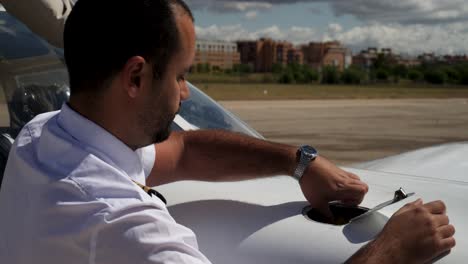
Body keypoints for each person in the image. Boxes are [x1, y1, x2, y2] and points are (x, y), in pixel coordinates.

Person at [0, 0, 455, 263]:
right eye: (180, 76)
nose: (184, 95)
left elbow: (183, 151)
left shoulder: (45, 134)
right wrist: (391, 250)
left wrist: (298, 162)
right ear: (135, 78)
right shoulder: (124, 227)